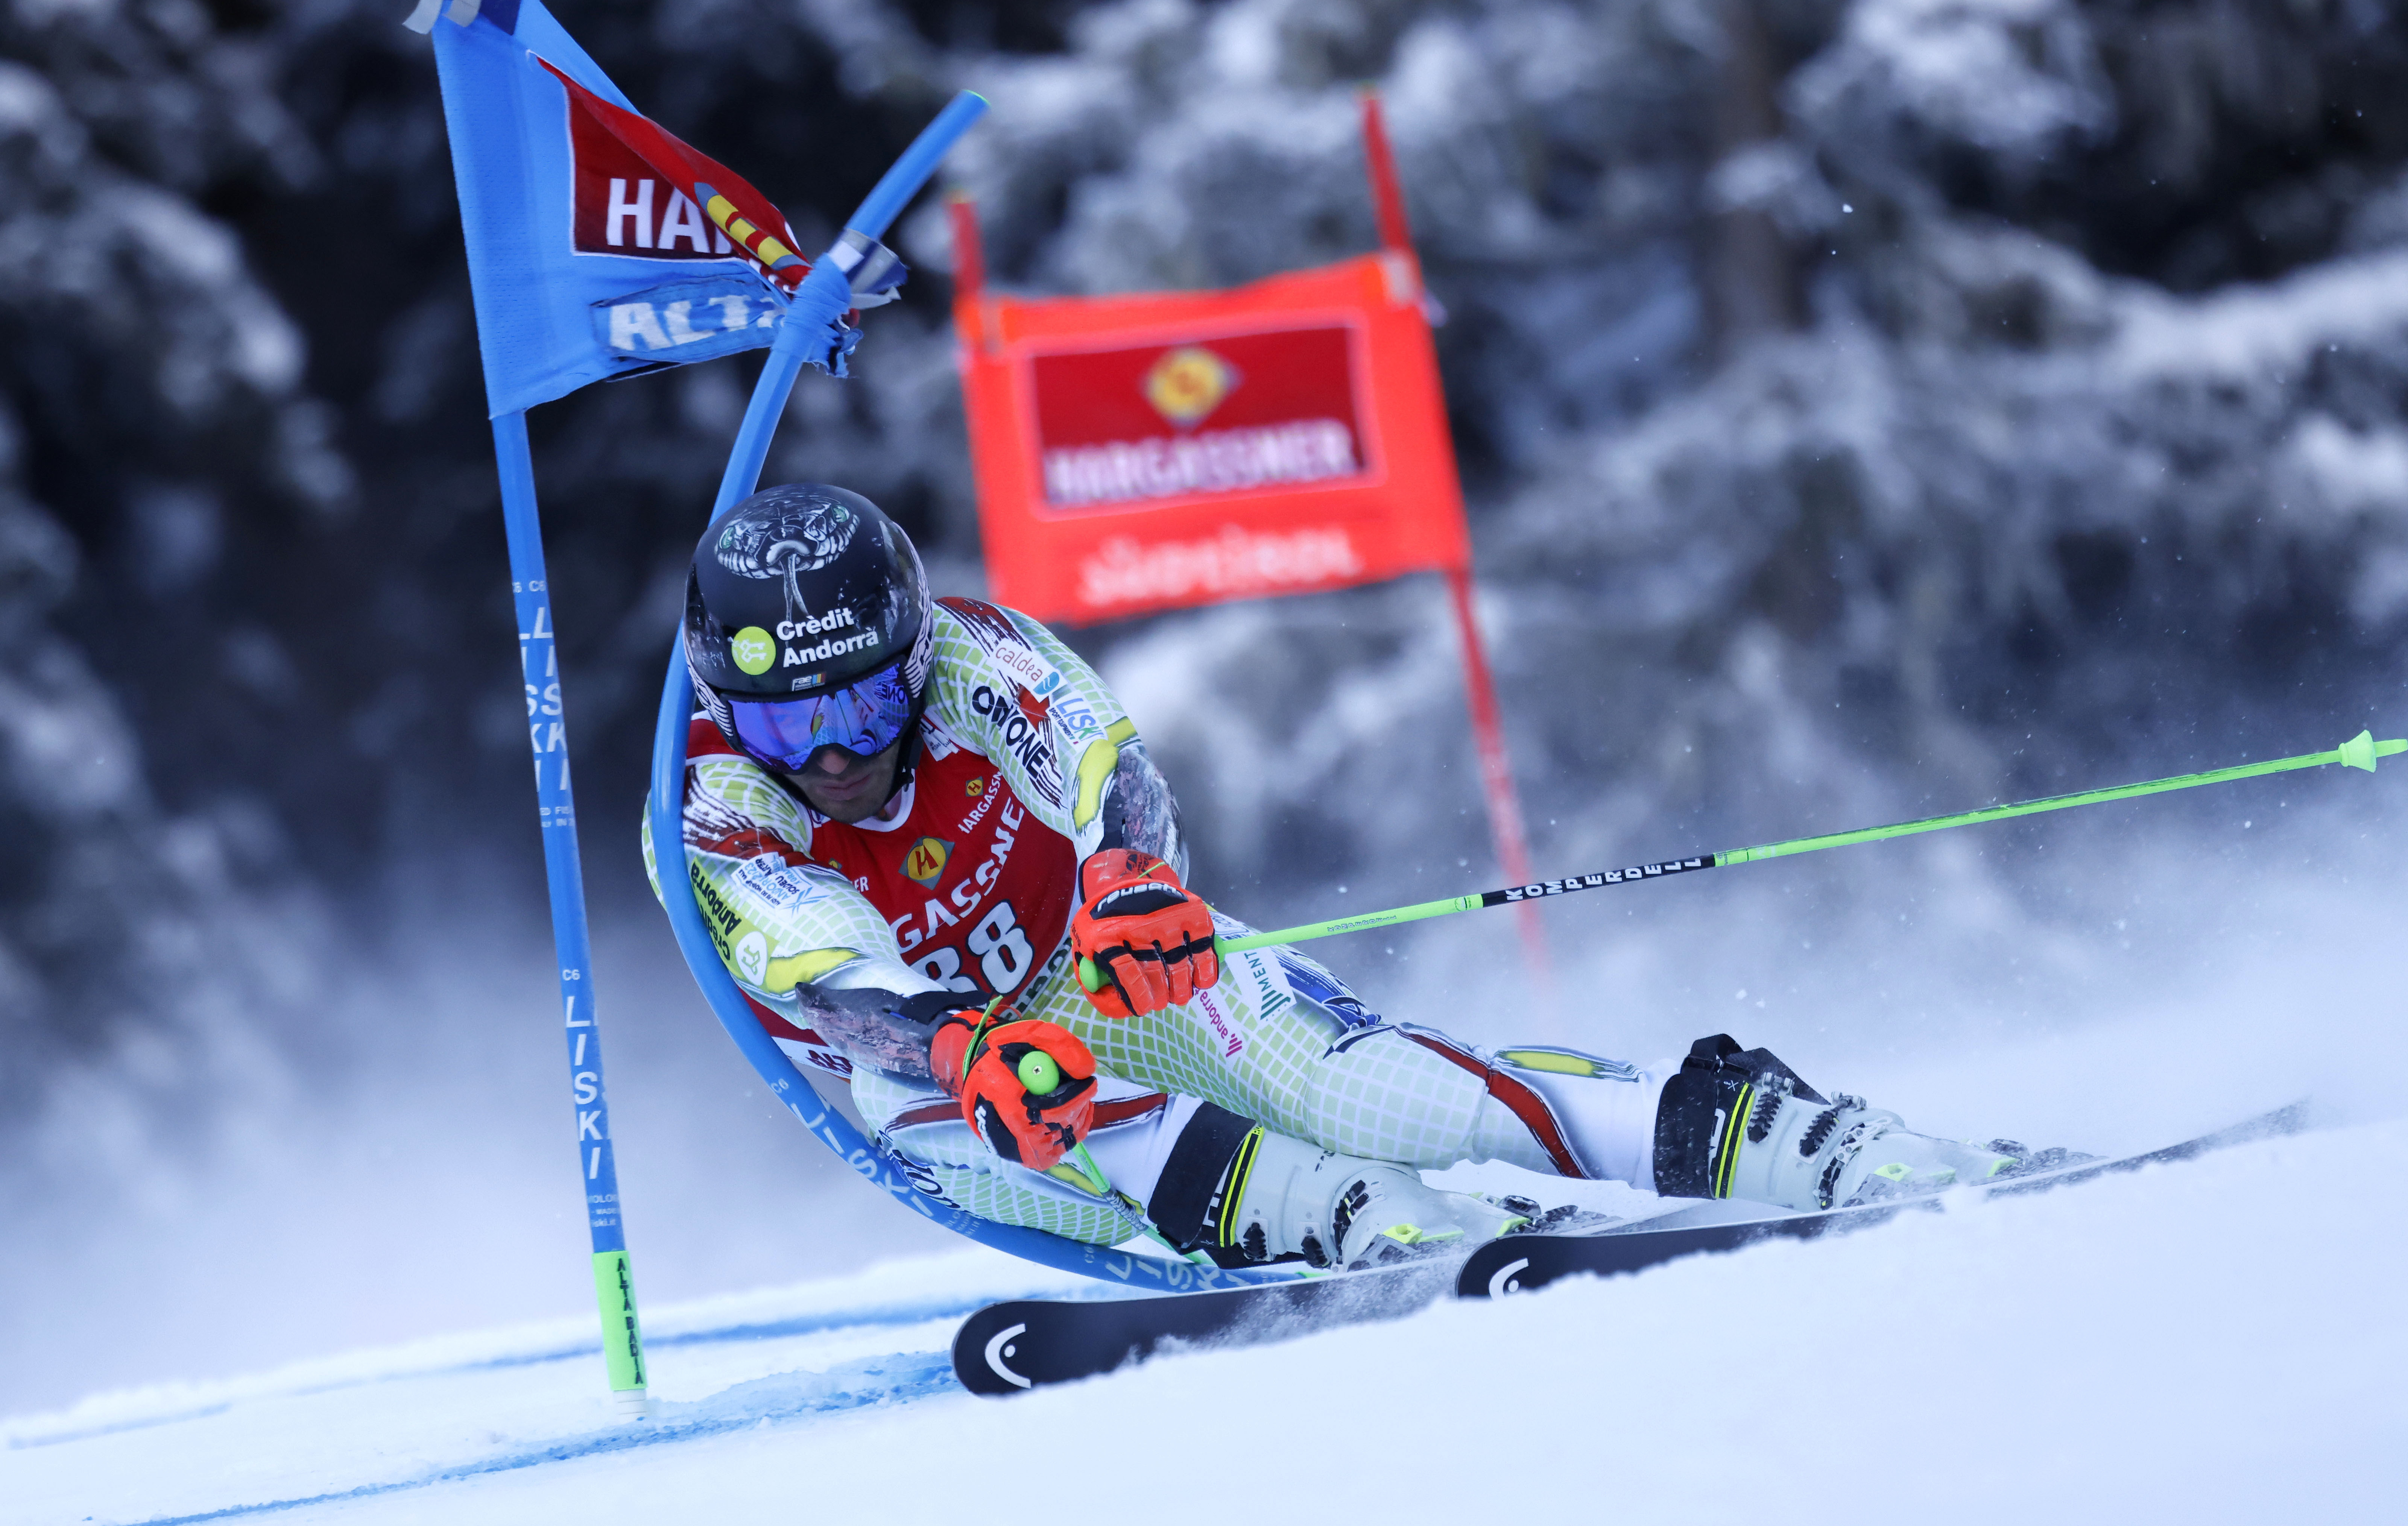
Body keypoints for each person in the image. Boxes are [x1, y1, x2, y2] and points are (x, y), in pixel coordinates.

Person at [645, 483, 2055, 1271]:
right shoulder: (712, 807)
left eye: (861, 702)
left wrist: (1136, 885)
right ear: (726, 705)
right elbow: (833, 984)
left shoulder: (966, 653)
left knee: (1386, 1091)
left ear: (907, 655)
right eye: (785, 720)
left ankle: (1786, 1141)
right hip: (949, 1087)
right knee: (1156, 1141)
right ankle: (1375, 1231)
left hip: (1094, 967)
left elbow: (1102, 771)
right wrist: (959, 1045)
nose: (832, 748)